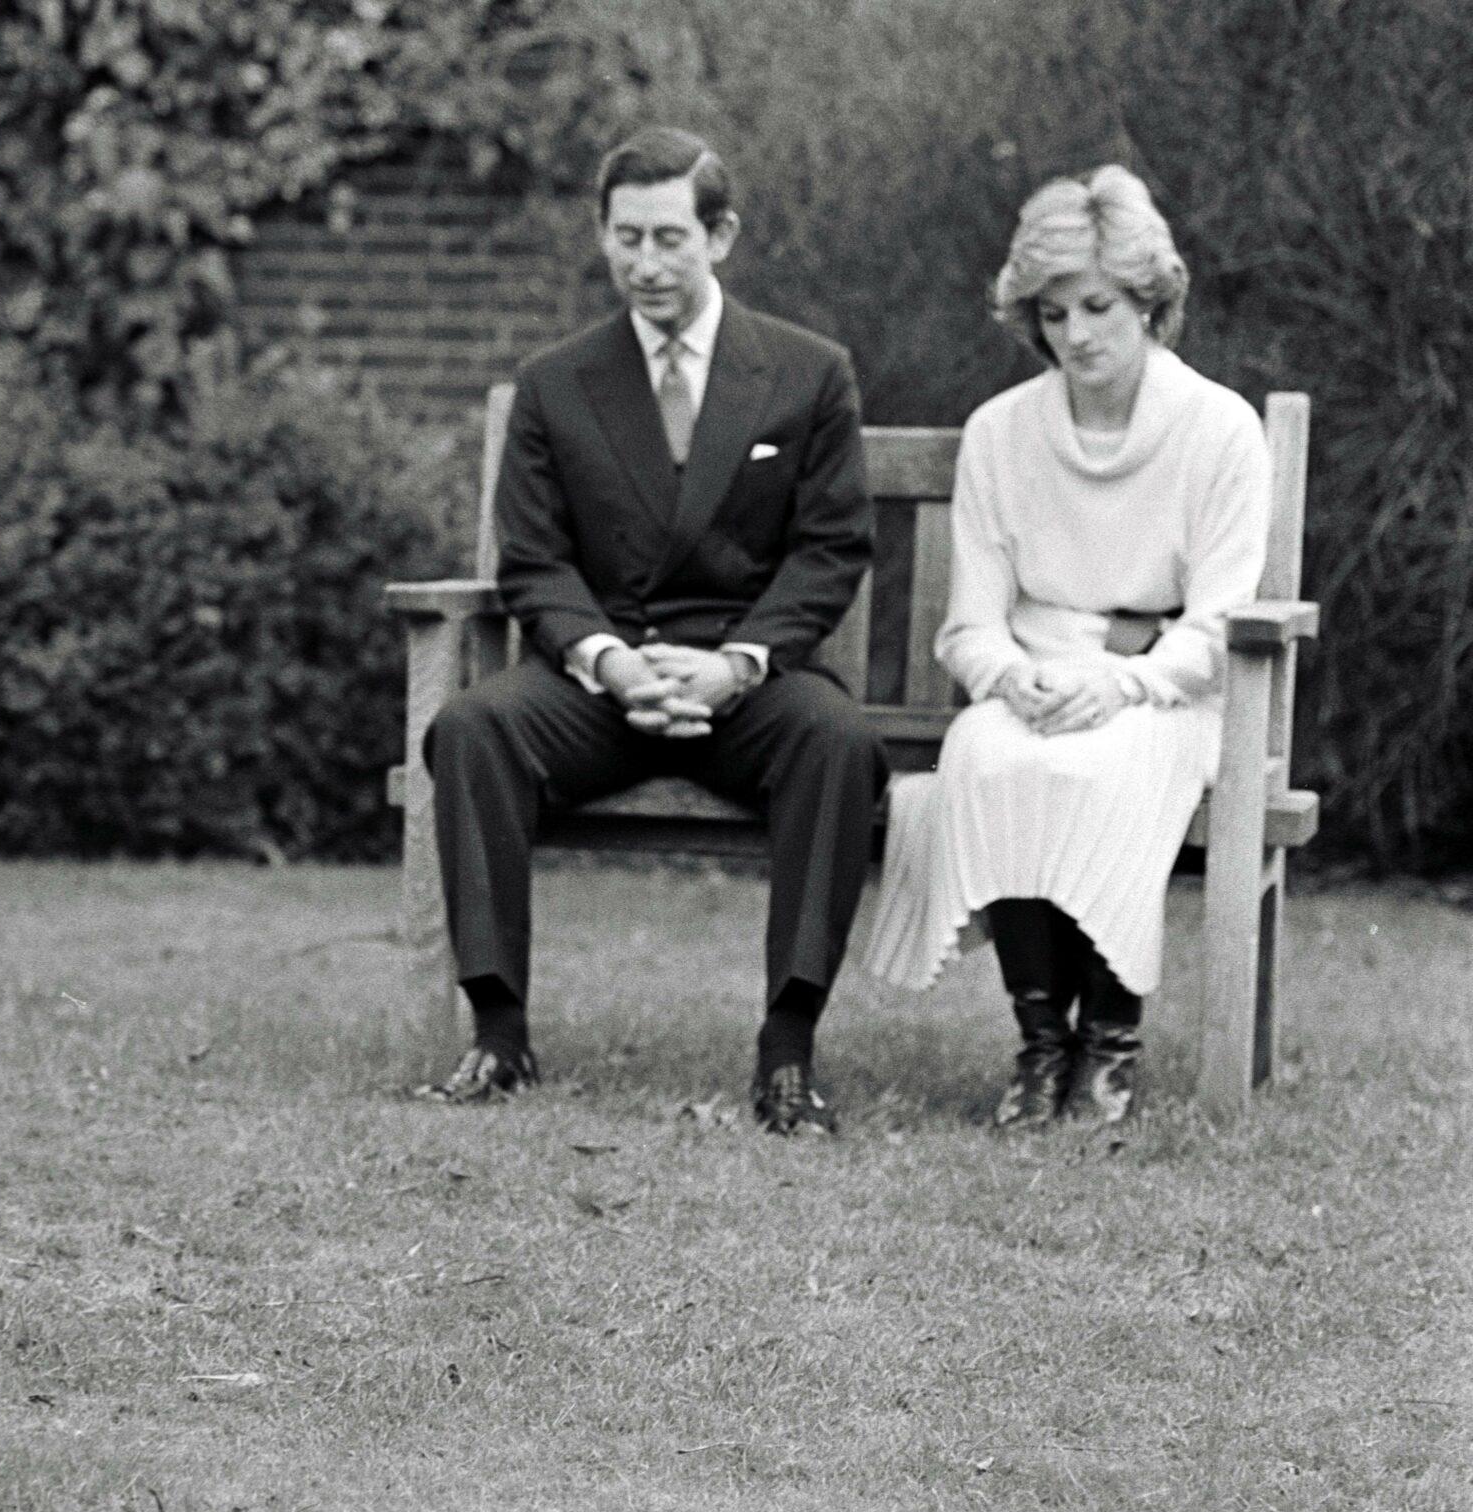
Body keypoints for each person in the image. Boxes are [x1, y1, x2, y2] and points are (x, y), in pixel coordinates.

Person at [417, 126, 885, 1135]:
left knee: (838, 743)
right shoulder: (556, 383)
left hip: (742, 677)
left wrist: (734, 662)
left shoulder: (807, 375)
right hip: (601, 677)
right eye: (625, 238)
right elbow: (533, 561)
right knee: (470, 727)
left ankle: (787, 1051)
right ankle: (497, 1036)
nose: (645, 263)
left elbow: (829, 551)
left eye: (669, 238)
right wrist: (611, 661)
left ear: (720, 237)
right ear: (602, 236)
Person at [863, 165, 1270, 1127]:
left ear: (1150, 302)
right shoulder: (1000, 434)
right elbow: (968, 626)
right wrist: (1014, 678)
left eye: (1097, 306)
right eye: (1052, 313)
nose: (1076, 333)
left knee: (1104, 770)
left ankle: (1110, 1043)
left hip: (1166, 700)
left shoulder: (1219, 430)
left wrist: (1126, 684)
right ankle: (1041, 1043)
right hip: (1033, 688)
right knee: (986, 754)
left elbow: (1218, 623)